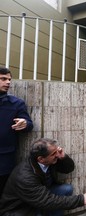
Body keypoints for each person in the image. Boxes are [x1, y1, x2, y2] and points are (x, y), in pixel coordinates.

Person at [0, 138, 86, 215]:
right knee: (49, 203)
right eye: (54, 153)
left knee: (67, 189)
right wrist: (81, 199)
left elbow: (68, 169)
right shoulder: (25, 176)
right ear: (41, 159)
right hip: (21, 208)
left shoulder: (50, 160)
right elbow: (46, 200)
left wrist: (63, 157)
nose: (57, 154)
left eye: (57, 151)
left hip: (40, 196)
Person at [0, 66, 34, 198]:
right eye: (3, 79)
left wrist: (25, 124)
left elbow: (28, 124)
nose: (8, 82)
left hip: (4, 160)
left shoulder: (16, 103)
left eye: (9, 79)